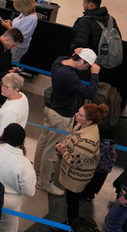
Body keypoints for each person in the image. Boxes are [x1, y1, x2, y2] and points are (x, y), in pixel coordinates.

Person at [35, 48, 100, 196]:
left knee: (43, 143)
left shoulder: (59, 62)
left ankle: (38, 173)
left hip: (51, 109)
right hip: (61, 116)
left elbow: (75, 65)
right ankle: (44, 183)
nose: (87, 70)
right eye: (87, 66)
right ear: (82, 60)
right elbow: (90, 92)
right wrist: (95, 75)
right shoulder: (69, 76)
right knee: (52, 150)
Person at [49, 103, 106, 232]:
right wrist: (65, 144)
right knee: (71, 200)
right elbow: (72, 138)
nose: (76, 115)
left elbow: (76, 162)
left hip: (76, 177)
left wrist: (63, 151)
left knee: (72, 202)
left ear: (89, 120)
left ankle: (73, 230)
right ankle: (71, 223)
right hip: (74, 173)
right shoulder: (84, 126)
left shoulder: (88, 140)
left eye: (80, 115)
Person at [0, 72, 29, 142]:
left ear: (16, 89)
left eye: (6, 87)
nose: (2, 88)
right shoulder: (22, 96)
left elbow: (3, 134)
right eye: (2, 84)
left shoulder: (10, 110)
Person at [1, 0, 38, 64]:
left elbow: (20, 37)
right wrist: (11, 23)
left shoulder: (31, 19)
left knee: (13, 63)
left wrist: (8, 27)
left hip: (18, 46)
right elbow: (19, 26)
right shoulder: (25, 13)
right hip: (15, 43)